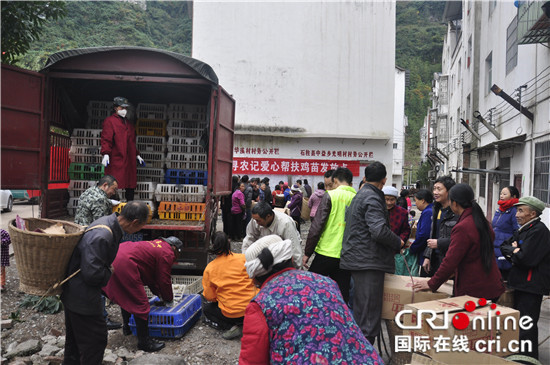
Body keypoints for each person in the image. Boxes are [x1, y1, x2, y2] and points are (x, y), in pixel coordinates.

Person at [239, 235, 382, 364]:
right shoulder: (327, 282)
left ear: (255, 279)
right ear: (291, 258)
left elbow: (252, 360)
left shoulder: (261, 304)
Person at [61, 201, 149, 364]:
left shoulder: (107, 222)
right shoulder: (103, 235)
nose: (139, 230)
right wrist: (109, 271)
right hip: (82, 296)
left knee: (74, 343)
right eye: (141, 226)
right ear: (135, 222)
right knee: (95, 341)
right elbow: (92, 274)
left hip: (74, 293)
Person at [340, 161, 403, 345]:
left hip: (360, 258)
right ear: (384, 180)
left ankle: (360, 350)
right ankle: (364, 354)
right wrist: (397, 242)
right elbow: (379, 231)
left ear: (365, 178)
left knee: (362, 310)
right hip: (368, 261)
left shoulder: (361, 194)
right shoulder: (373, 198)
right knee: (368, 315)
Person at [413, 184, 504, 302]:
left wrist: (431, 283)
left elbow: (450, 260)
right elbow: (472, 254)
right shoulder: (482, 221)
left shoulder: (463, 227)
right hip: (491, 284)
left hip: (475, 289)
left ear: (455, 203)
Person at [103, 236, 183, 352]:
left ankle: (128, 328)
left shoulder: (155, 244)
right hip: (125, 263)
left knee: (126, 295)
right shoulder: (167, 252)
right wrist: (169, 300)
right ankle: (144, 342)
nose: (175, 258)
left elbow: (152, 278)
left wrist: (160, 295)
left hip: (115, 256)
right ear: (175, 248)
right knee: (141, 303)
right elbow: (164, 279)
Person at [500, 196, 550, 360]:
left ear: (532, 213)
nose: (516, 214)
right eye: (516, 210)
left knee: (527, 325)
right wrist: (514, 251)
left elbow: (526, 259)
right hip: (520, 283)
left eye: (521, 210)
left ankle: (528, 359)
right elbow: (504, 246)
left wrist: (516, 252)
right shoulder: (524, 229)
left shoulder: (539, 231)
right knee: (520, 323)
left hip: (531, 286)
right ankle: (520, 356)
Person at [74, 174, 121, 330]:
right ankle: (101, 318)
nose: (114, 193)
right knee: (96, 277)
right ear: (105, 185)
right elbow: (102, 224)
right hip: (92, 242)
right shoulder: (100, 199)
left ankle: (87, 314)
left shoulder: (88, 192)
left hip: (80, 236)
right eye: (113, 189)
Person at [304, 167, 356, 302]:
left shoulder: (331, 195)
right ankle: (340, 319)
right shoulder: (357, 198)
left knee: (310, 287)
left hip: (326, 251)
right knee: (342, 293)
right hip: (347, 254)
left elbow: (316, 227)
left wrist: (307, 253)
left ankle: (310, 315)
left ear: (336, 180)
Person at [201, 232, 259, 340]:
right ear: (229, 243)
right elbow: (256, 278)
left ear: (213, 245)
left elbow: (210, 297)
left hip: (231, 313)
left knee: (207, 309)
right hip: (252, 308)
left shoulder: (210, 268)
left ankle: (231, 327)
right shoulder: (244, 259)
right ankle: (251, 324)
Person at [100, 97, 144, 202]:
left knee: (130, 182)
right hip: (117, 156)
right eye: (121, 107)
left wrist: (137, 155)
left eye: (125, 108)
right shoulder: (110, 121)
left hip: (129, 158)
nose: (124, 110)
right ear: (115, 108)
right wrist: (106, 153)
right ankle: (112, 203)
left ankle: (129, 205)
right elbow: (106, 138)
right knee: (114, 181)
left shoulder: (128, 124)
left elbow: (132, 142)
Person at [242, 201, 302, 269]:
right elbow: (249, 238)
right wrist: (245, 258)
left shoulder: (285, 223)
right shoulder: (255, 220)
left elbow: (295, 249)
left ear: (268, 216)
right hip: (266, 254)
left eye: (258, 221)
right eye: (255, 220)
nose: (256, 223)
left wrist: (297, 271)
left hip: (283, 255)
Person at [422, 175, 457, 276]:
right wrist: (427, 256)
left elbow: (460, 240)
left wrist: (440, 243)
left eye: (439, 189)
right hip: (434, 259)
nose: (435, 192)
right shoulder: (436, 209)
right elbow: (432, 235)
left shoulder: (456, 212)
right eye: (434, 189)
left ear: (449, 191)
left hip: (449, 261)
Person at [492, 186, 520, 280]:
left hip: (504, 246)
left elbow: (517, 230)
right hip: (494, 244)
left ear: (513, 196)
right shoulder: (499, 209)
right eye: (501, 193)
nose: (501, 196)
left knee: (503, 274)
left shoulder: (514, 211)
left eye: (505, 194)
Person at [383, 186, 412, 276]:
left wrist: (402, 240)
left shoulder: (402, 212)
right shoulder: (377, 210)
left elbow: (406, 229)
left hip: (394, 250)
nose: (389, 202)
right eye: (386, 199)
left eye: (392, 200)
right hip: (378, 250)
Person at [408, 189, 434, 273]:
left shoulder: (428, 212)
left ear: (423, 201)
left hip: (426, 252)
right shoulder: (430, 210)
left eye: (416, 201)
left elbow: (424, 235)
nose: (415, 204)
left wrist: (412, 248)